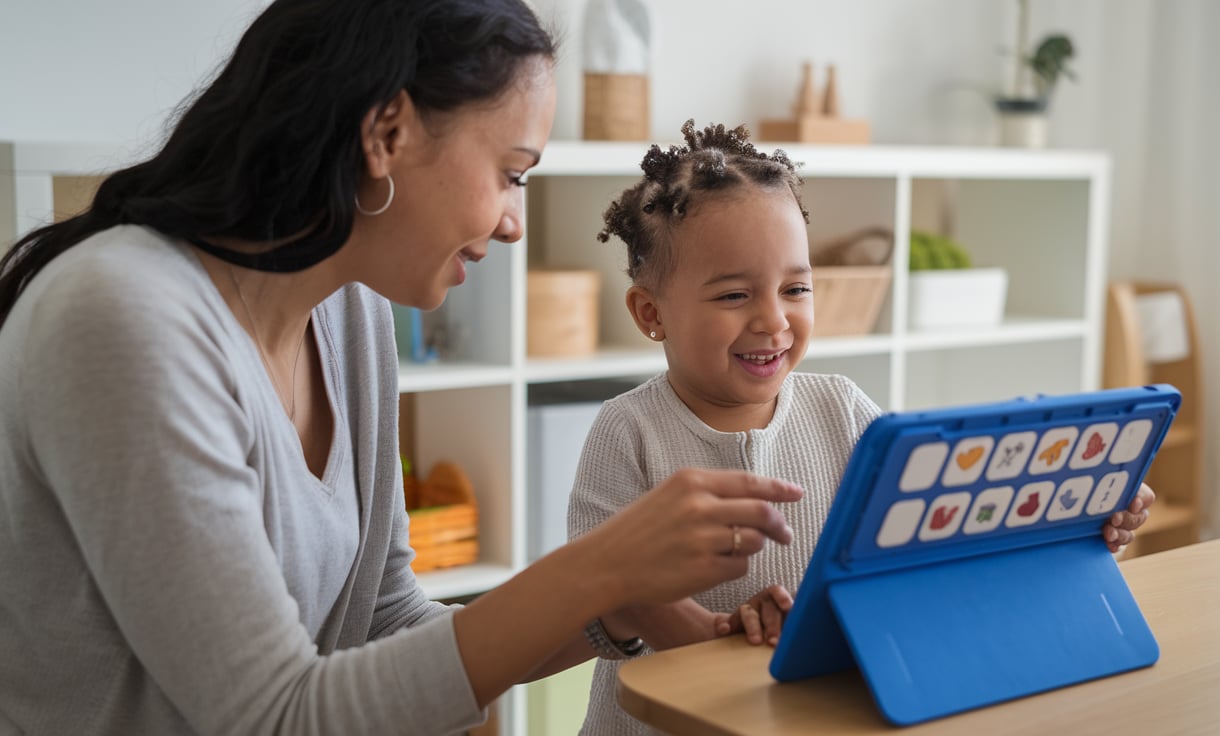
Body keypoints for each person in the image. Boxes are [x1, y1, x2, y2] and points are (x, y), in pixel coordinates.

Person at [0, 4, 806, 735]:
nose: (514, 222)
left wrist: (618, 602)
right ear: (387, 133)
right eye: (511, 173)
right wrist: (599, 566)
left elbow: (382, 624)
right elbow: (273, 716)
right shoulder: (123, 316)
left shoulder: (348, 315)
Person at [566, 121, 1157, 736]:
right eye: (735, 295)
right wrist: (713, 632)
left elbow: (931, 539)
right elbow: (608, 589)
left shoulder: (844, 410)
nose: (775, 320)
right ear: (651, 313)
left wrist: (1073, 521)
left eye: (796, 287)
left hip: (804, 715)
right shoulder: (627, 430)